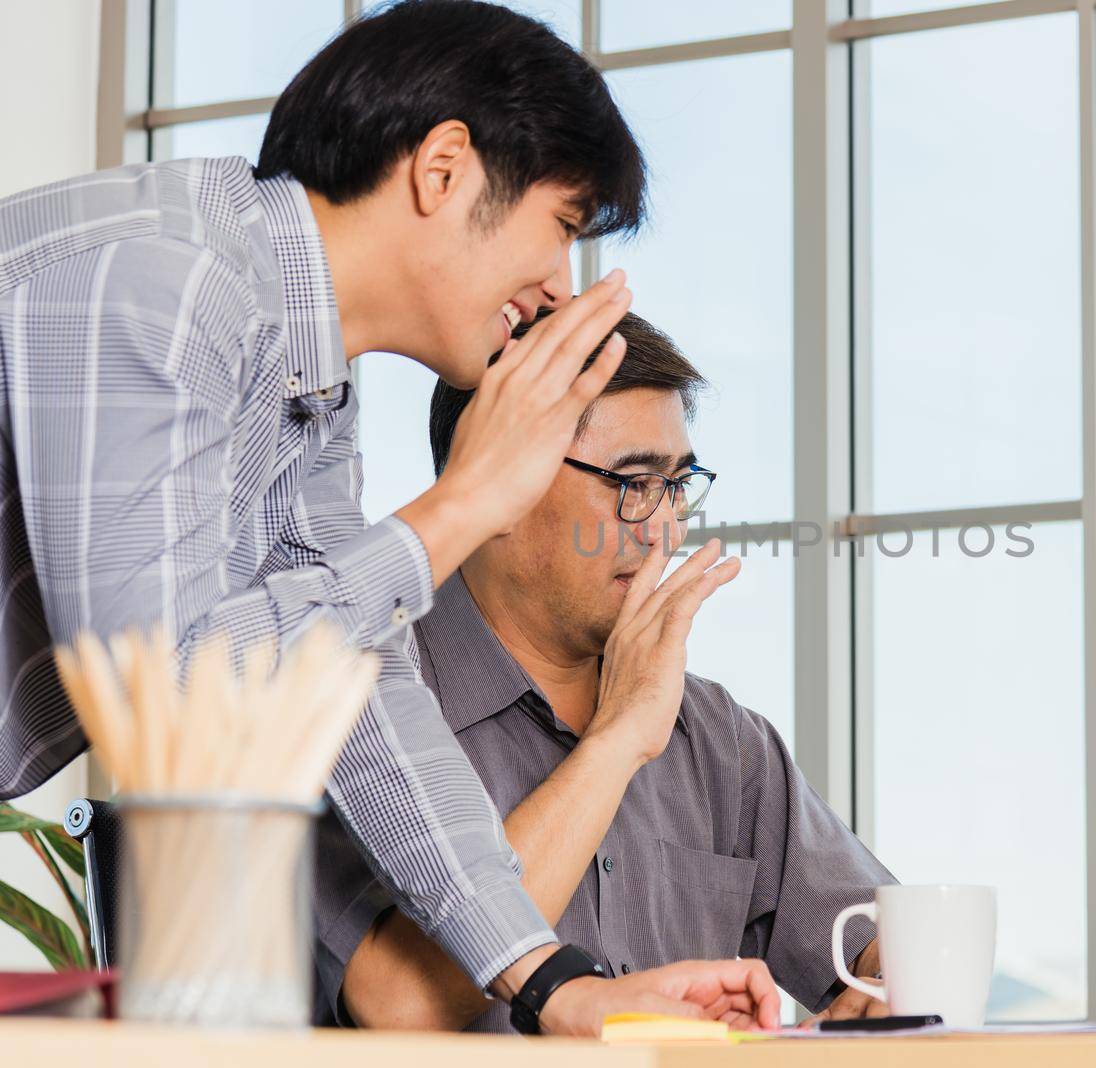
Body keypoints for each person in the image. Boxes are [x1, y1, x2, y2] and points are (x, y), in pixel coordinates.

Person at [0, 0, 776, 1034]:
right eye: (562, 228)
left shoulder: (306, 375)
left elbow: (358, 687)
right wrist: (462, 505)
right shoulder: (168, 284)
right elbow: (164, 692)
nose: (557, 289)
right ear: (443, 168)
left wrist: (547, 982)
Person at [314, 310, 896, 1032]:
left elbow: (886, 938)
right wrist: (617, 742)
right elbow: (396, 1005)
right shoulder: (356, 697)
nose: (664, 528)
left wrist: (881, 993)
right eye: (633, 482)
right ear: (502, 481)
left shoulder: (719, 737)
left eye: (677, 485)